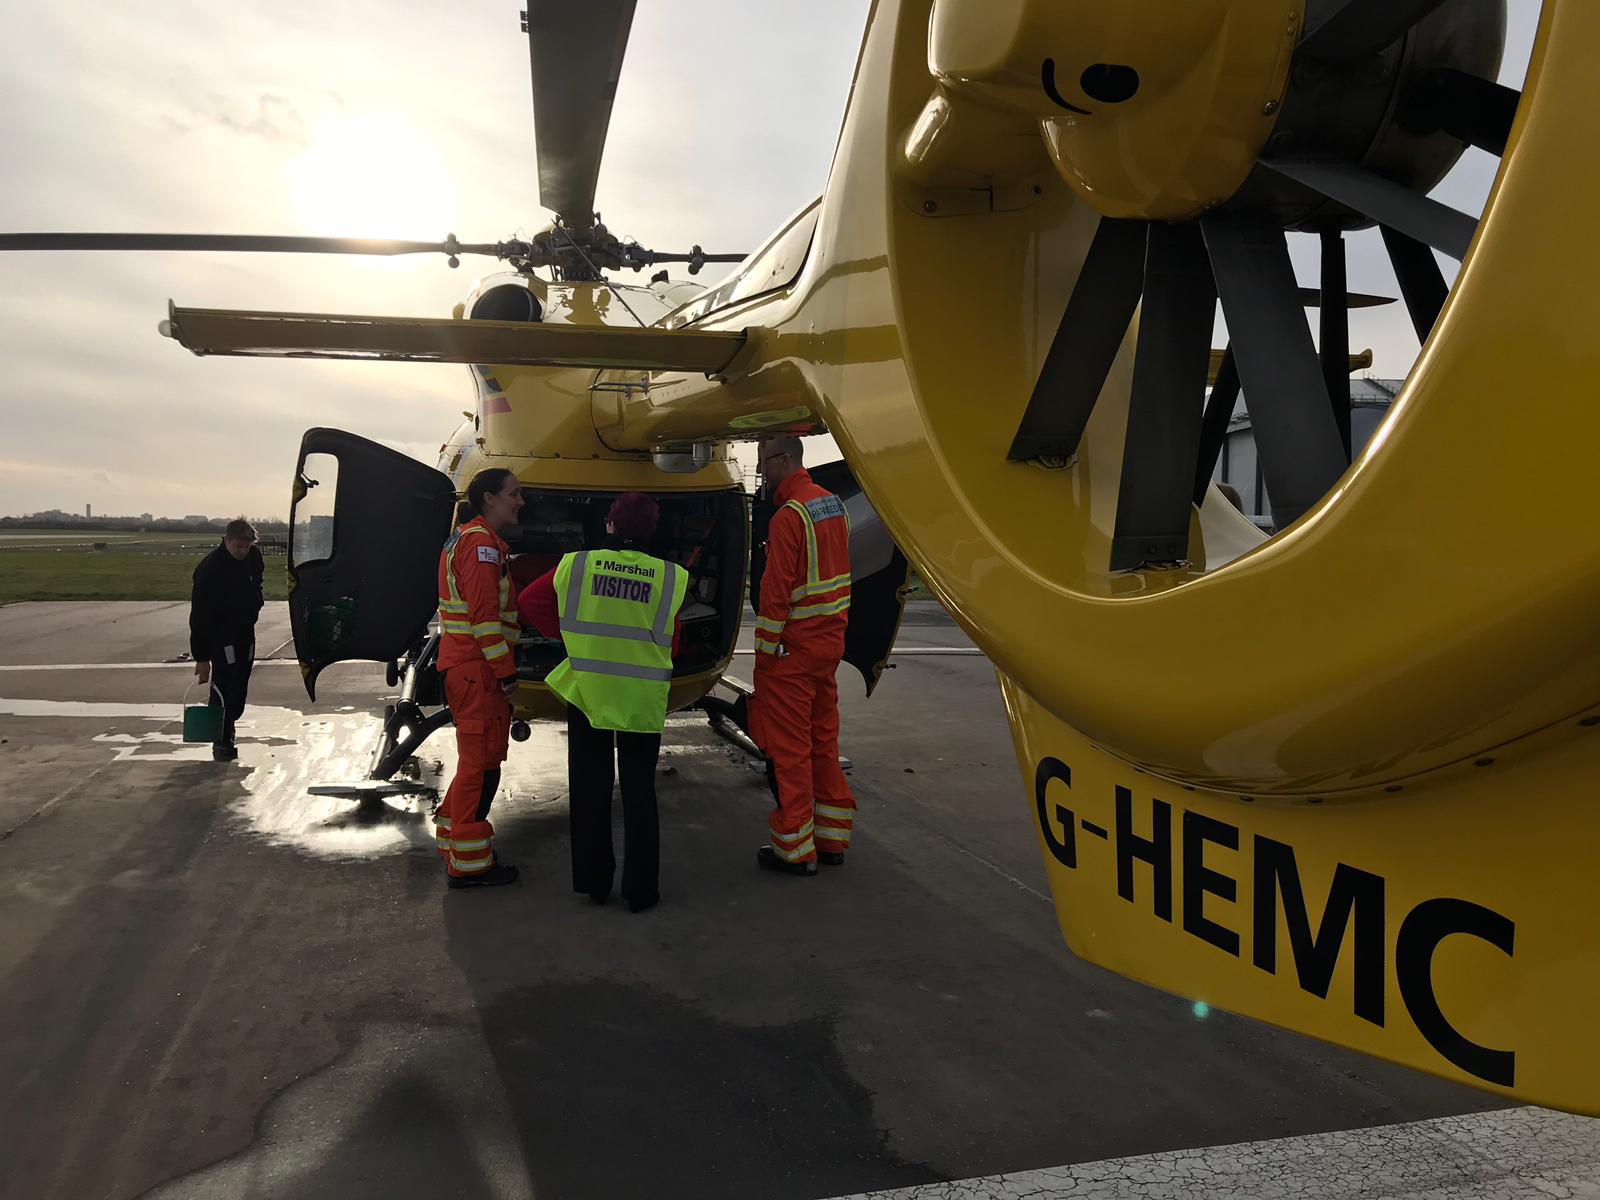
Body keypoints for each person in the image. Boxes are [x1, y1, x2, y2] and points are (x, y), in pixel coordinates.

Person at [517, 492, 687, 913]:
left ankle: (595, 884)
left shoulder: (576, 565)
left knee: (591, 788)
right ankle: (641, 892)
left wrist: (574, 639)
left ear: (610, 525)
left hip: (588, 692)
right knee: (639, 793)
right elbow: (675, 641)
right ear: (650, 531)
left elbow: (529, 602)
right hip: (641, 698)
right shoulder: (670, 577)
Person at [749, 435, 856, 877]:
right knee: (823, 743)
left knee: (791, 751)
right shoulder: (833, 505)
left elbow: (776, 590)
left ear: (785, 460)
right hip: (828, 646)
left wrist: (765, 653)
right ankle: (832, 839)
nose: (762, 474)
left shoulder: (789, 515)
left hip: (793, 650)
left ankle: (794, 848)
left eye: (765, 465)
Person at [435, 467, 525, 890]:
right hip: (479, 670)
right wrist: (507, 674)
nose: (520, 502)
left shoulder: (472, 540)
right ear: (489, 499)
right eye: (514, 494)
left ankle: (454, 839)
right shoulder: (482, 547)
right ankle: (470, 865)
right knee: (478, 764)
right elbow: (485, 620)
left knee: (478, 761)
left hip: (468, 667)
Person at [189, 518, 265, 762]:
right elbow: (199, 615)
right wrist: (202, 657)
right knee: (223, 684)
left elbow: (257, 583)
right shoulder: (210, 569)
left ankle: (230, 721)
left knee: (240, 681)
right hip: (220, 635)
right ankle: (222, 738)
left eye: (247, 547)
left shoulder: (254, 558)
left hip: (244, 631)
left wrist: (256, 604)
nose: (243, 552)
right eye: (238, 547)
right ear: (226, 540)